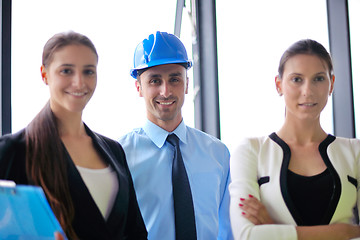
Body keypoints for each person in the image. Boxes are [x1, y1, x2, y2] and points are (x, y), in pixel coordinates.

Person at [0, 31, 147, 240]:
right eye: (66, 71)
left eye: (88, 71)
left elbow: (136, 233)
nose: (79, 83)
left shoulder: (114, 151)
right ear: (44, 74)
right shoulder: (12, 151)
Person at [229, 39, 360, 240]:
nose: (307, 91)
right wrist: (344, 232)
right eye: (297, 79)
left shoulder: (354, 152)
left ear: (331, 84)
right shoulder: (251, 151)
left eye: (318, 79)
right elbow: (247, 236)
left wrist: (274, 228)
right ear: (279, 85)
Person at [119, 31, 233, 240]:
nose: (166, 91)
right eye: (154, 81)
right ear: (139, 87)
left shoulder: (218, 154)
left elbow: (228, 232)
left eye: (174, 79)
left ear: (187, 83)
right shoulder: (121, 155)